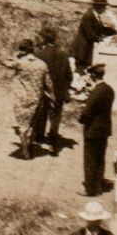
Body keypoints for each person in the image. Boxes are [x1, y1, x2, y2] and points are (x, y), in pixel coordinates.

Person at [32, 26, 74, 154]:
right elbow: (69, 75)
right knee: (56, 116)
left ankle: (39, 136)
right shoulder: (63, 54)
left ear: (44, 39)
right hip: (59, 91)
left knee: (42, 112)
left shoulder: (39, 54)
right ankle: (53, 139)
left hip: (44, 90)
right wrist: (65, 87)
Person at [77, 64, 116, 197]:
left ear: (93, 76)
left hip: (92, 129)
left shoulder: (96, 92)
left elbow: (87, 112)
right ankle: (98, 185)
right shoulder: (109, 89)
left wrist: (81, 119)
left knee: (90, 159)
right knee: (100, 158)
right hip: (104, 129)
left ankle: (90, 189)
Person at [7, 39, 50, 160]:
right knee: (32, 123)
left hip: (21, 97)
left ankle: (25, 150)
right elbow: (48, 83)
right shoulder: (42, 64)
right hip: (36, 97)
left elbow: (7, 63)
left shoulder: (20, 63)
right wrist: (51, 95)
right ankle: (29, 145)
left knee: (21, 124)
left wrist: (16, 56)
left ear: (23, 50)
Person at [74, 0, 110, 72]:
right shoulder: (88, 16)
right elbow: (90, 35)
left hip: (87, 48)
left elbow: (100, 29)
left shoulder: (95, 15)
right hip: (83, 50)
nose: (105, 9)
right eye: (104, 7)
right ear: (99, 7)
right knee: (81, 71)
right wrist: (101, 39)